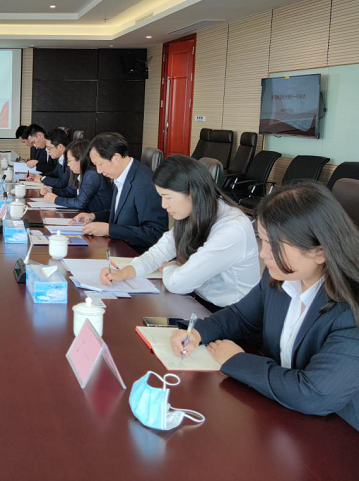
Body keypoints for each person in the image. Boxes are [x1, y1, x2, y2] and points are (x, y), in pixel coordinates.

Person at [168, 182, 359, 430]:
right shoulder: (281, 277)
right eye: (263, 240)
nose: (263, 254)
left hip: (338, 431)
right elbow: (241, 317)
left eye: (274, 245)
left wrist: (236, 360)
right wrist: (198, 333)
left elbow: (314, 394)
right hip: (283, 414)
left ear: (320, 252)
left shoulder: (351, 310)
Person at [100, 155, 259, 310]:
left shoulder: (232, 229)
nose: (163, 205)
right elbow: (159, 252)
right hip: (197, 300)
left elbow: (178, 284)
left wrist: (171, 266)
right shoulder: (195, 212)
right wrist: (123, 273)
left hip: (231, 313)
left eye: (167, 197)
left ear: (191, 194)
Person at [73, 132, 167, 252]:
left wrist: (109, 230)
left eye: (100, 164)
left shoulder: (144, 183)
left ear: (116, 157)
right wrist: (94, 216)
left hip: (135, 255)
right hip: (117, 249)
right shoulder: (122, 175)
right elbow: (122, 212)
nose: (99, 171)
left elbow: (155, 233)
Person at [40, 139, 112, 211]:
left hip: (95, 216)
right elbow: (68, 192)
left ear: (80, 159)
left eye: (69, 161)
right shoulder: (79, 173)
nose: (68, 164)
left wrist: (55, 199)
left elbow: (79, 203)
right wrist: (51, 190)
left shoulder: (92, 174)